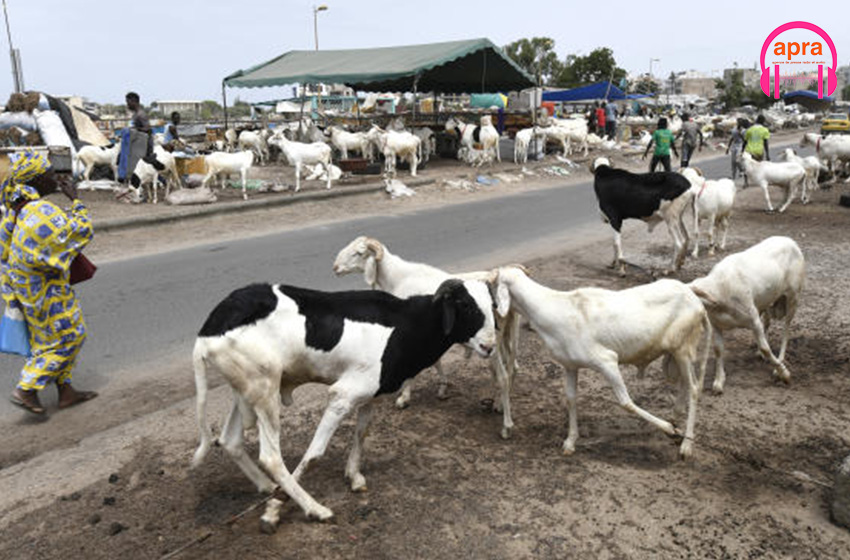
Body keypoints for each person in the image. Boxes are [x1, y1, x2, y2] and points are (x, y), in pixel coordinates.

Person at [1, 151, 97, 415]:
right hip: (46, 289)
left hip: (27, 288)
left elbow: (4, 252)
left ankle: (65, 391)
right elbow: (79, 231)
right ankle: (26, 388)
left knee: (45, 339)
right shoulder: (39, 211)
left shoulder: (17, 208)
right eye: (49, 173)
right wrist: (76, 201)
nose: (55, 177)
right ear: (36, 180)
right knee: (70, 336)